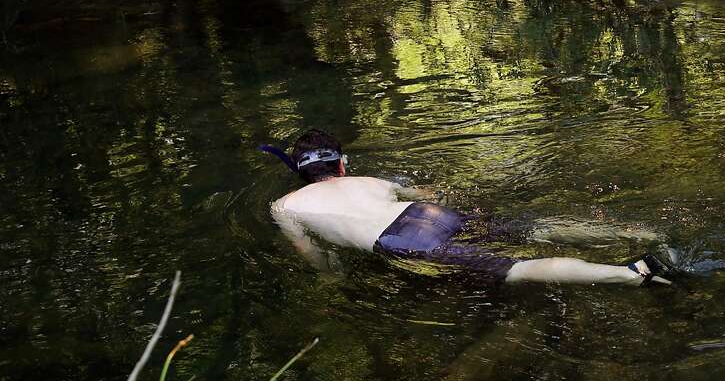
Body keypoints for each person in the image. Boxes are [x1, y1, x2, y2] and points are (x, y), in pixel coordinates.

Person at [263, 129, 672, 286]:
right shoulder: (368, 181)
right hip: (427, 216)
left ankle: (633, 274)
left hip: (400, 240)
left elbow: (310, 253)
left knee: (516, 269)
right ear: (339, 164)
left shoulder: (285, 206)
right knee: (529, 228)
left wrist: (331, 278)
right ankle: (637, 233)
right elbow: (428, 194)